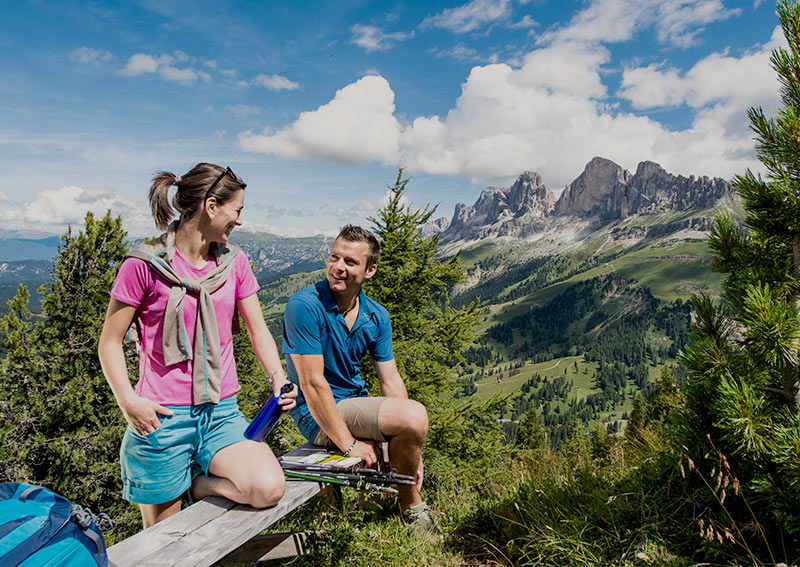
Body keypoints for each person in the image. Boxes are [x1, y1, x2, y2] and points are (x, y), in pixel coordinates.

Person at [98, 163, 296, 529]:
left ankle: (197, 486)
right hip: (162, 416)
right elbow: (109, 342)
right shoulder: (144, 265)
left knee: (268, 488)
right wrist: (128, 401)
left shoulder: (234, 263)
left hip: (221, 410)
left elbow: (257, 330)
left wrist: (276, 376)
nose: (239, 221)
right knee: (164, 544)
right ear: (210, 206)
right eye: (236, 211)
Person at [282, 225, 438, 536]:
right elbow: (312, 385)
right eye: (334, 257)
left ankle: (388, 506)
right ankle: (412, 507)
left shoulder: (376, 315)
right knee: (414, 415)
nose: (338, 267)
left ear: (370, 270)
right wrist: (349, 443)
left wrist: (413, 452)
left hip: (352, 404)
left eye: (350, 262)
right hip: (316, 413)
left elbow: (390, 380)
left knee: (411, 418)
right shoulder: (305, 306)